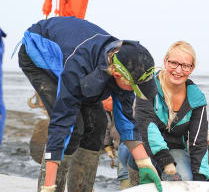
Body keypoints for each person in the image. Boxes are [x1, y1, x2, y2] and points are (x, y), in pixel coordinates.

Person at [18, 16, 162, 192]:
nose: (132, 90)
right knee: (75, 126)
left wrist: (144, 163)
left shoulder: (125, 62)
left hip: (85, 63)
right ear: (117, 75)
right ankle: (50, 187)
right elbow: (61, 122)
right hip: (38, 54)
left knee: (98, 125)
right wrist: (49, 185)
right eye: (133, 86)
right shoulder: (78, 66)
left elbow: (125, 121)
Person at [134, 41, 209, 182]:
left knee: (187, 177)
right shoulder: (146, 87)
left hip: (175, 149)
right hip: (143, 146)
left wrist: (200, 179)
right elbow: (146, 125)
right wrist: (166, 163)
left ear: (192, 68)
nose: (178, 70)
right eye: (173, 63)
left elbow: (198, 142)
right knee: (134, 159)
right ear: (165, 61)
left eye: (185, 66)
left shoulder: (197, 99)